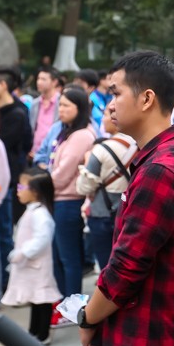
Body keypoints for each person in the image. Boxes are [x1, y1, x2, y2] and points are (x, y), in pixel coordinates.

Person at [78, 51, 174, 346]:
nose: (110, 105)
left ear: (146, 99)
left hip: (148, 336)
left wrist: (88, 319)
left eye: (116, 93)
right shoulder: (160, 156)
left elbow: (126, 266)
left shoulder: (161, 168)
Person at [50, 86, 97, 314]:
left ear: (79, 109)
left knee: (69, 257)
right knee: (62, 255)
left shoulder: (81, 135)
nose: (61, 109)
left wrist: (43, 185)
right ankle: (65, 305)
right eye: (60, 104)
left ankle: (72, 308)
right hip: (61, 199)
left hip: (69, 201)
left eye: (67, 105)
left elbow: (63, 172)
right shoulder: (68, 132)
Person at [0, 65, 33, 286]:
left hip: (8, 181)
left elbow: (17, 144)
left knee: (5, 233)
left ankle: (4, 282)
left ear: (2, 85)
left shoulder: (18, 112)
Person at [1, 168, 61, 345]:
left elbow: (42, 238)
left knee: (42, 300)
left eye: (21, 186)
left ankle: (42, 334)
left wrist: (23, 252)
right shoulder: (32, 211)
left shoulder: (40, 214)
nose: (18, 190)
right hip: (31, 265)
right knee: (36, 300)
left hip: (38, 265)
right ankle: (34, 332)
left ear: (35, 191)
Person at [76, 105, 137, 270]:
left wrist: (87, 161)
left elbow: (83, 187)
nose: (103, 119)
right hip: (129, 211)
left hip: (102, 212)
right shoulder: (138, 144)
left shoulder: (100, 150)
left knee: (107, 266)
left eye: (105, 115)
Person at [29, 66, 62, 162]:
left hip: (53, 155)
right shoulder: (35, 104)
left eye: (43, 79)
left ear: (54, 82)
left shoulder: (61, 102)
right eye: (38, 79)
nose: (39, 82)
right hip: (34, 154)